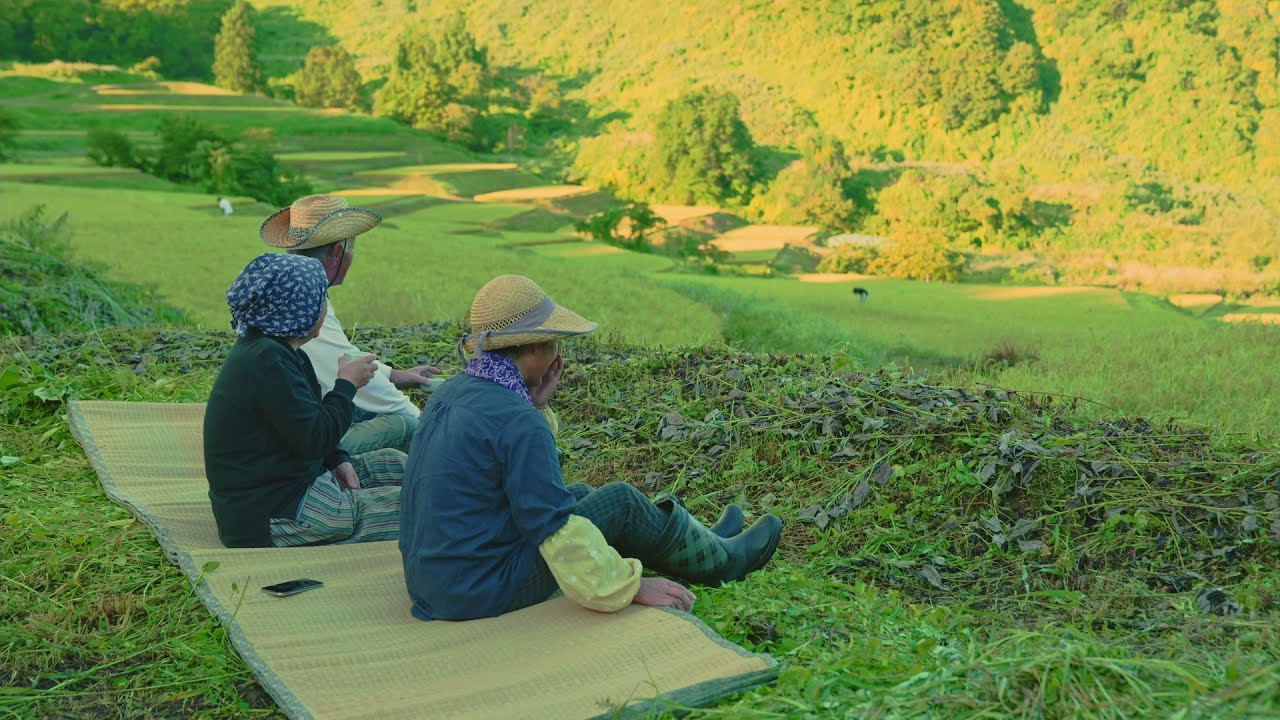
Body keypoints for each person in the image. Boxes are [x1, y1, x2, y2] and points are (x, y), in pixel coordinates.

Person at [399, 275, 782, 621]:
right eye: (554, 344)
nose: (557, 357)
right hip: (479, 590)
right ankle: (723, 562)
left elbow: (516, 481)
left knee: (580, 494)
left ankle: (703, 543)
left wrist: (538, 405)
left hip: (436, 579)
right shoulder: (518, 420)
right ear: (534, 346)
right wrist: (629, 587)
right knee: (620, 503)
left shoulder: (453, 390)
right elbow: (550, 523)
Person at [203, 253, 407, 548]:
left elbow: (303, 425)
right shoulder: (268, 362)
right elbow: (315, 436)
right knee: (417, 505)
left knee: (396, 464)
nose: (325, 307)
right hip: (269, 511)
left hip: (294, 480)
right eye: (321, 298)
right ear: (298, 306)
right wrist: (347, 385)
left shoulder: (280, 353)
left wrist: (337, 459)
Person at [260, 194, 437, 455]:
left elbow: (336, 354)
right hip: (291, 447)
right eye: (351, 248)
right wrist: (422, 418)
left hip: (285, 423)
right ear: (337, 252)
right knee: (407, 425)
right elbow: (340, 366)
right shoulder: (306, 303)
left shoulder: (289, 288)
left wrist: (393, 375)